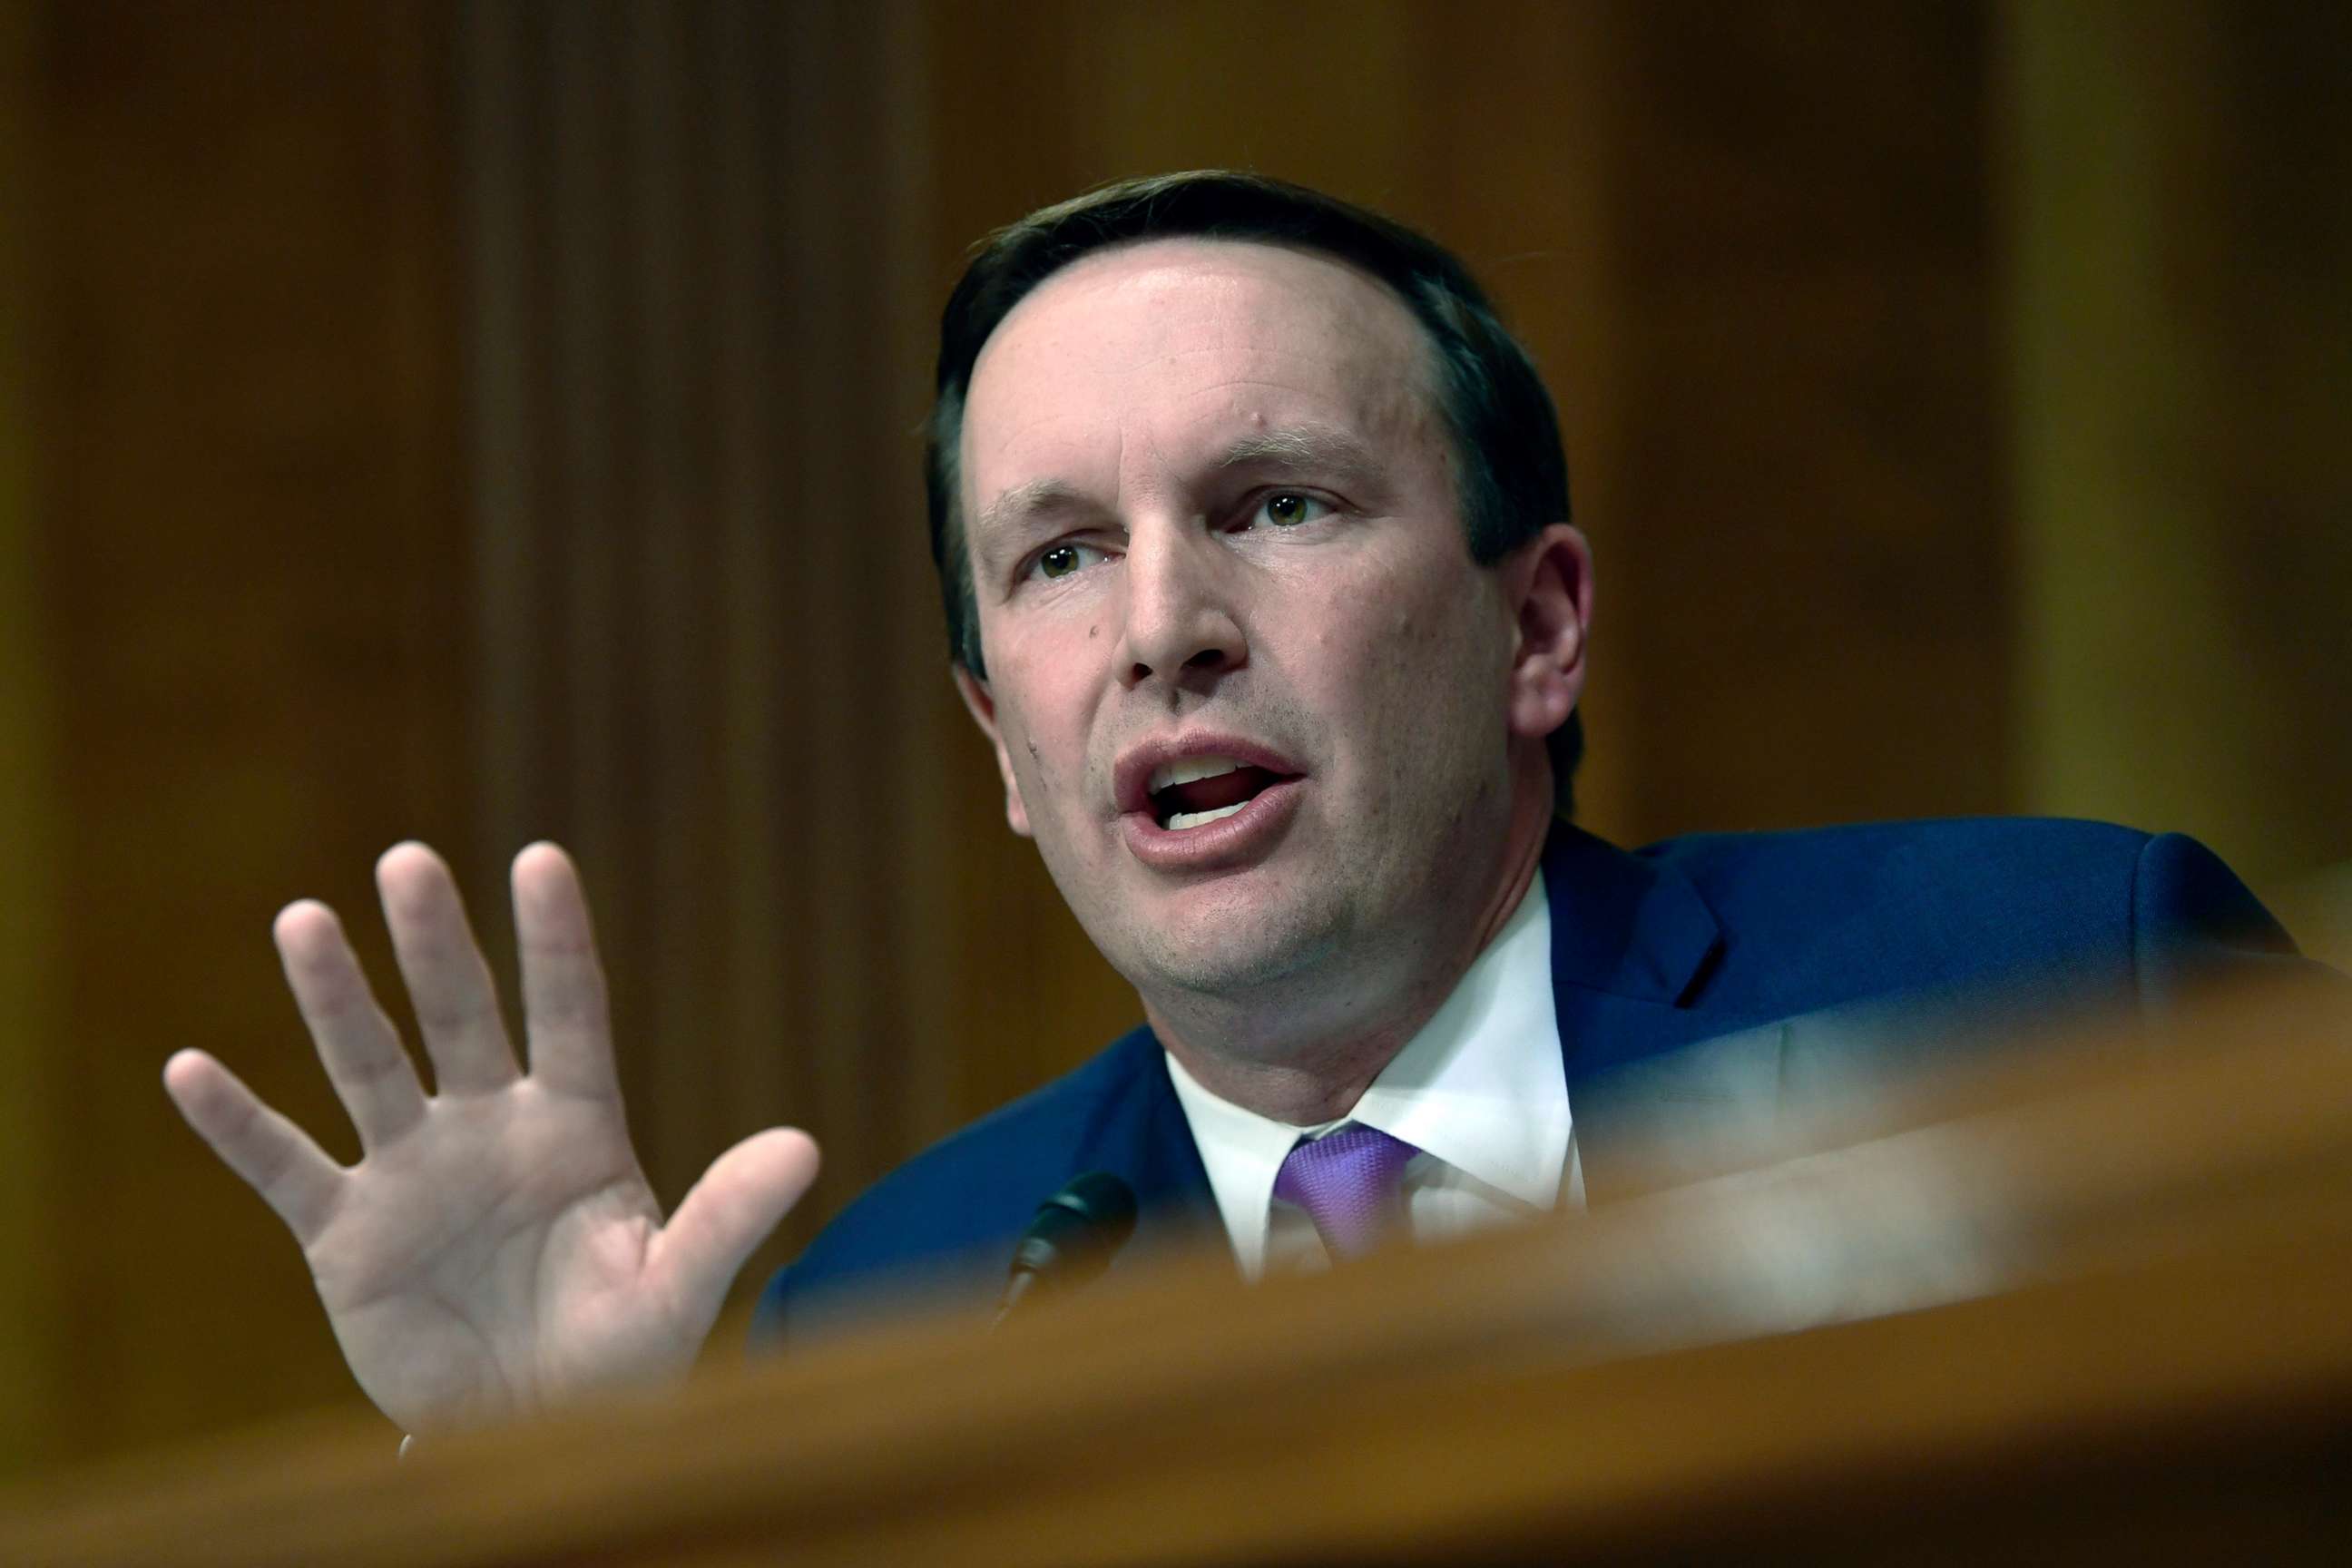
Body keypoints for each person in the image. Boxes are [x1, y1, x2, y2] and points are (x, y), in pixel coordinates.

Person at [162, 172, 2317, 1439]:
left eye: (1275, 504)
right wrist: (583, 1522)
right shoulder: (903, 1324)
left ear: (1538, 625)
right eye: (1060, 556)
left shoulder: (2061, 988)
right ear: (1003, 749)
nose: (1165, 628)